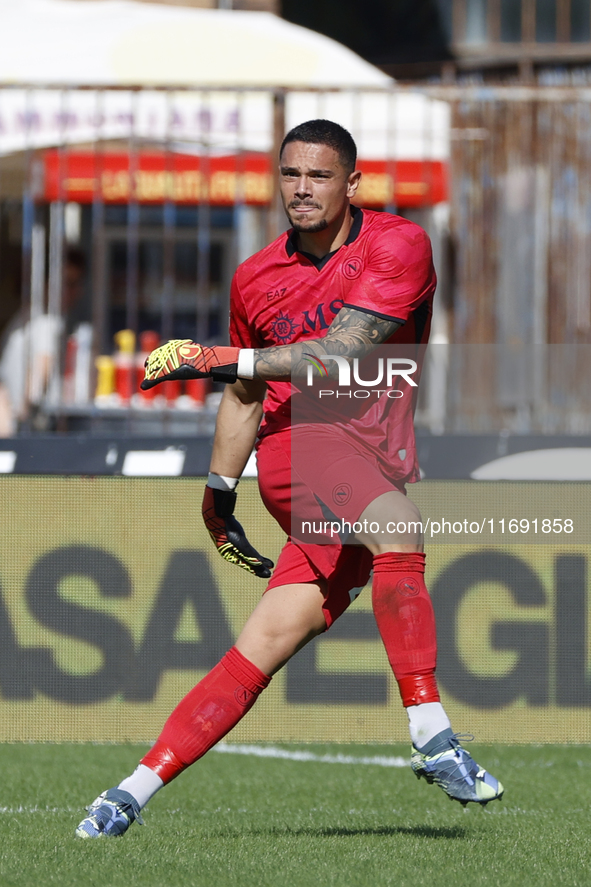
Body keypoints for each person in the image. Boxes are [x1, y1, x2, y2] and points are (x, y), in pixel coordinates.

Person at [76, 120, 503, 839]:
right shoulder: (254, 276)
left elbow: (338, 353)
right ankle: (431, 731)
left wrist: (211, 356)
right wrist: (219, 496)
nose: (301, 189)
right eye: (289, 175)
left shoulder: (398, 245)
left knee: (264, 645)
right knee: (399, 525)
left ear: (352, 184)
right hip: (299, 450)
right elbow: (246, 396)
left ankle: (126, 793)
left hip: (370, 463)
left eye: (319, 175)